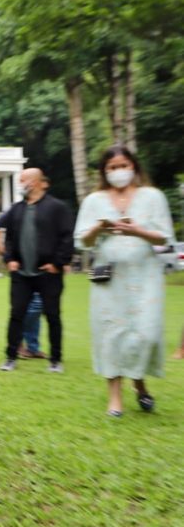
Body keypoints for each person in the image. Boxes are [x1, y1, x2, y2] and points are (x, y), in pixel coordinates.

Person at [74, 145, 173, 417]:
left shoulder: (152, 197)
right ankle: (115, 396)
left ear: (134, 167)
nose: (119, 171)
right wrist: (98, 227)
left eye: (123, 165)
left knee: (146, 332)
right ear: (105, 172)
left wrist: (136, 230)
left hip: (145, 275)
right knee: (111, 332)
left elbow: (164, 237)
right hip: (109, 273)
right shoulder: (94, 200)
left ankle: (139, 382)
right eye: (112, 167)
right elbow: (83, 241)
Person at [0, 168, 73, 373]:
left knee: (52, 316)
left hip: (48, 273)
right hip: (22, 274)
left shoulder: (56, 207)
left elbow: (67, 238)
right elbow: (10, 238)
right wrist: (9, 259)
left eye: (23, 180)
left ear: (37, 182)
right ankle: (10, 357)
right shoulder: (17, 209)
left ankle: (56, 360)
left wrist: (57, 263)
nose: (20, 184)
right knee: (16, 314)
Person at [0, 208, 46, 359]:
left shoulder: (45, 208)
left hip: (40, 265)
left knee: (37, 305)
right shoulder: (17, 210)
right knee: (32, 305)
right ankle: (19, 342)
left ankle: (33, 348)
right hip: (20, 265)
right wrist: (0, 248)